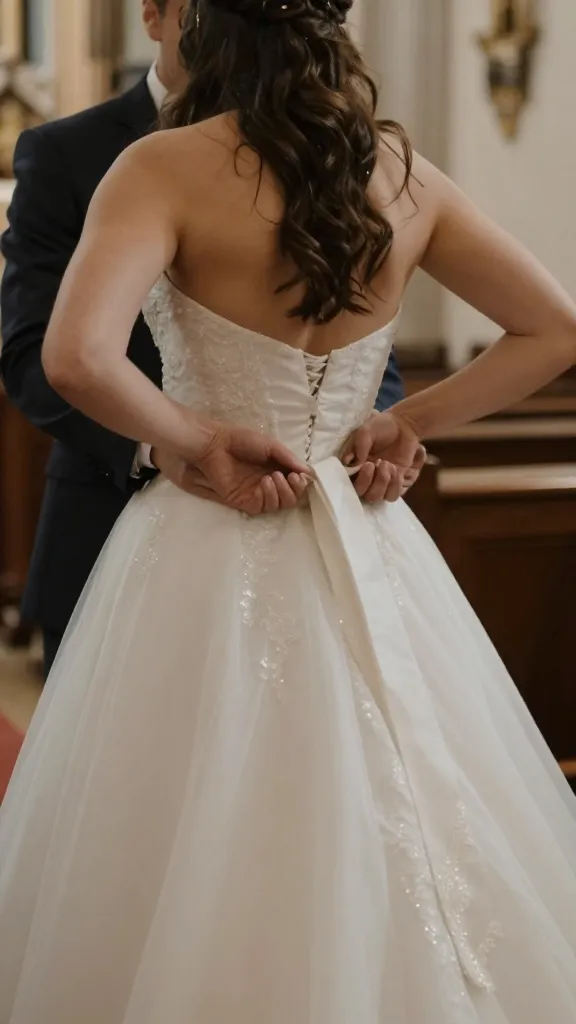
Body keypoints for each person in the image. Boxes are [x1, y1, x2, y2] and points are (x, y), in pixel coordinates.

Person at [1, 0, 576, 1020]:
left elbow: (74, 356)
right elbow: (554, 328)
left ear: (203, 24)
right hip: (371, 542)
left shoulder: (162, 166)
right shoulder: (401, 175)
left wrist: (191, 437)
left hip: (203, 537)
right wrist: (406, 422)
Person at [2, 1, 411, 679]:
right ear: (154, 17)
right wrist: (159, 441)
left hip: (324, 520)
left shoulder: (338, 147)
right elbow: (34, 351)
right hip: (116, 518)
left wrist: (370, 421)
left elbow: (365, 327)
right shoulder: (69, 152)